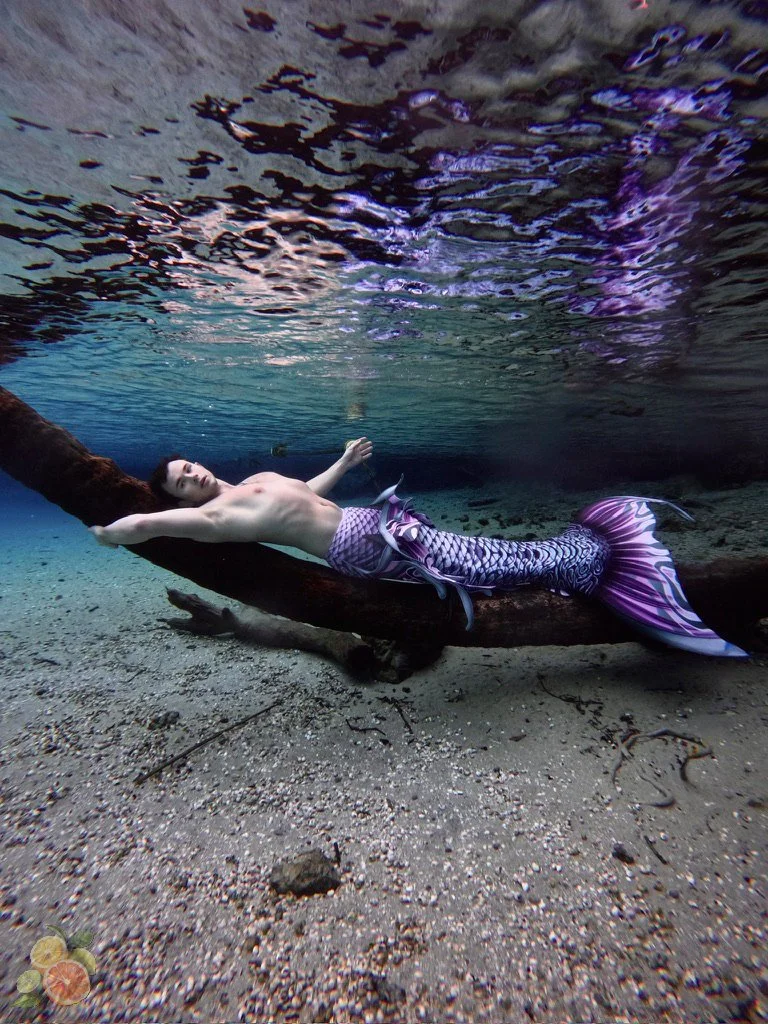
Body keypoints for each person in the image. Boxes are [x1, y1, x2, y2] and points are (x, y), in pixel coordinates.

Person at [91, 439, 747, 658]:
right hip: (358, 546)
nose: (194, 475)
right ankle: (588, 560)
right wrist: (112, 530)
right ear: (178, 494)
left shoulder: (252, 483)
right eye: (181, 480)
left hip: (365, 521)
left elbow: (305, 491)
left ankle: (579, 557)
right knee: (473, 563)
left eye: (190, 466)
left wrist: (344, 461)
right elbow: (157, 527)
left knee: (478, 554)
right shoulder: (216, 517)